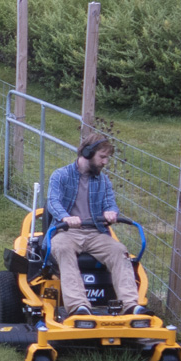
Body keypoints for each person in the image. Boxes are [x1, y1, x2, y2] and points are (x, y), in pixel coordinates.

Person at [45, 134, 144, 317]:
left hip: (95, 233)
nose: (105, 162)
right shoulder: (60, 176)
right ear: (88, 153)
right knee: (63, 249)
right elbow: (53, 201)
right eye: (102, 157)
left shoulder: (103, 181)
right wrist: (66, 218)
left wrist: (111, 212)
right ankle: (79, 307)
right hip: (67, 232)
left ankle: (131, 305)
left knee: (119, 251)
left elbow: (110, 204)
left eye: (107, 158)